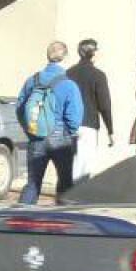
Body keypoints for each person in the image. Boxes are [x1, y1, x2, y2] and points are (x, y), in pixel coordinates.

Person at [16, 41, 83, 204]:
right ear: (65, 57)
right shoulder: (69, 84)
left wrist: (30, 129)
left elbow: (20, 108)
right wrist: (69, 131)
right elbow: (75, 118)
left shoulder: (32, 81)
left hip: (36, 136)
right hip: (61, 138)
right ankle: (62, 222)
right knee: (66, 184)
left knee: (33, 183)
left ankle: (21, 220)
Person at [66, 38, 115, 183]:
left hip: (69, 124)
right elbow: (104, 105)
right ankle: (78, 199)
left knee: (72, 164)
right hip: (89, 125)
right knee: (85, 166)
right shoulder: (98, 75)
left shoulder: (68, 73)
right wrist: (110, 130)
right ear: (93, 53)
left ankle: (69, 196)